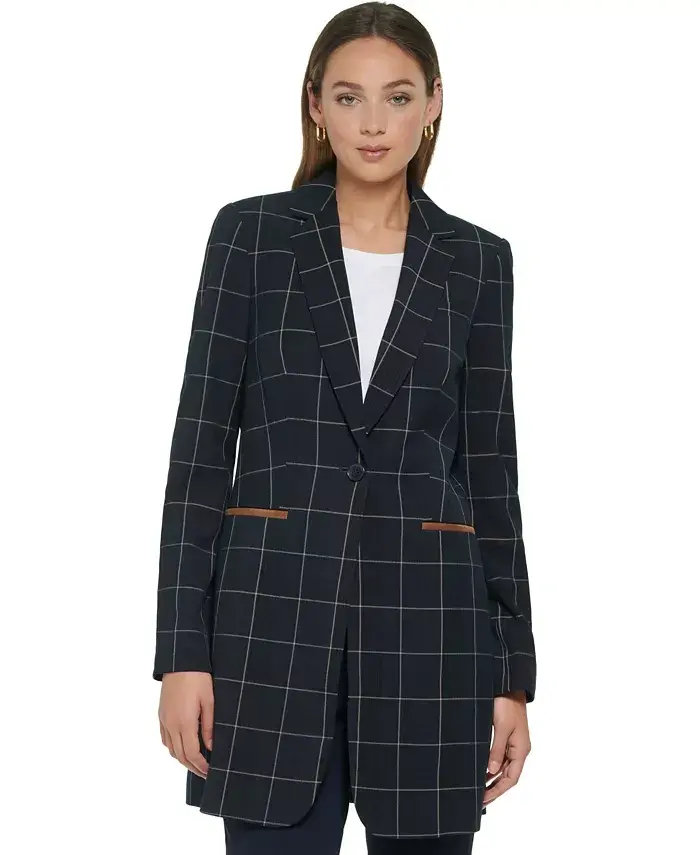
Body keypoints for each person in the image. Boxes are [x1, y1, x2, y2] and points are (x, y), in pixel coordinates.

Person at [153, 3, 537, 853]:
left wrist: (513, 675)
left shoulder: (479, 260)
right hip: (268, 630)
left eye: (397, 97)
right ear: (315, 105)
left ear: (433, 103)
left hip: (433, 640)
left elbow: (491, 472)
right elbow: (200, 452)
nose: (373, 123)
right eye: (349, 97)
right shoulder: (251, 237)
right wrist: (182, 652)